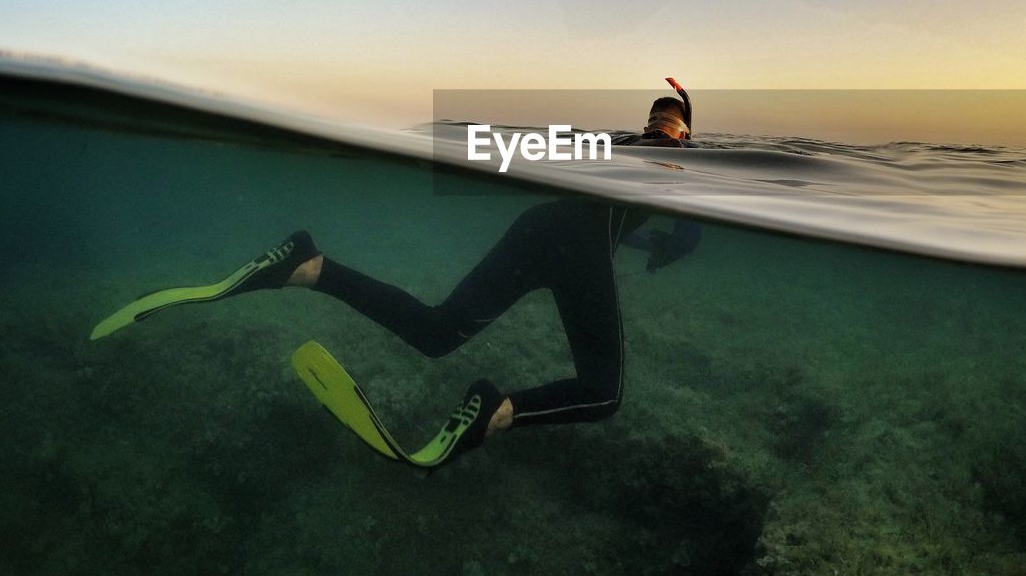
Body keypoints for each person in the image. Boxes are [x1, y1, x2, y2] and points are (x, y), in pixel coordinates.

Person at [92, 80, 702, 468]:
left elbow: (600, 209)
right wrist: (675, 232)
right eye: (673, 125)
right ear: (680, 130)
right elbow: (675, 222)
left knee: (437, 333)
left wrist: (641, 236)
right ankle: (497, 411)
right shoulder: (681, 157)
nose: (665, 132)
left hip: (542, 227)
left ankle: (309, 268)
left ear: (650, 118)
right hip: (578, 245)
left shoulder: (615, 145)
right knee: (604, 391)